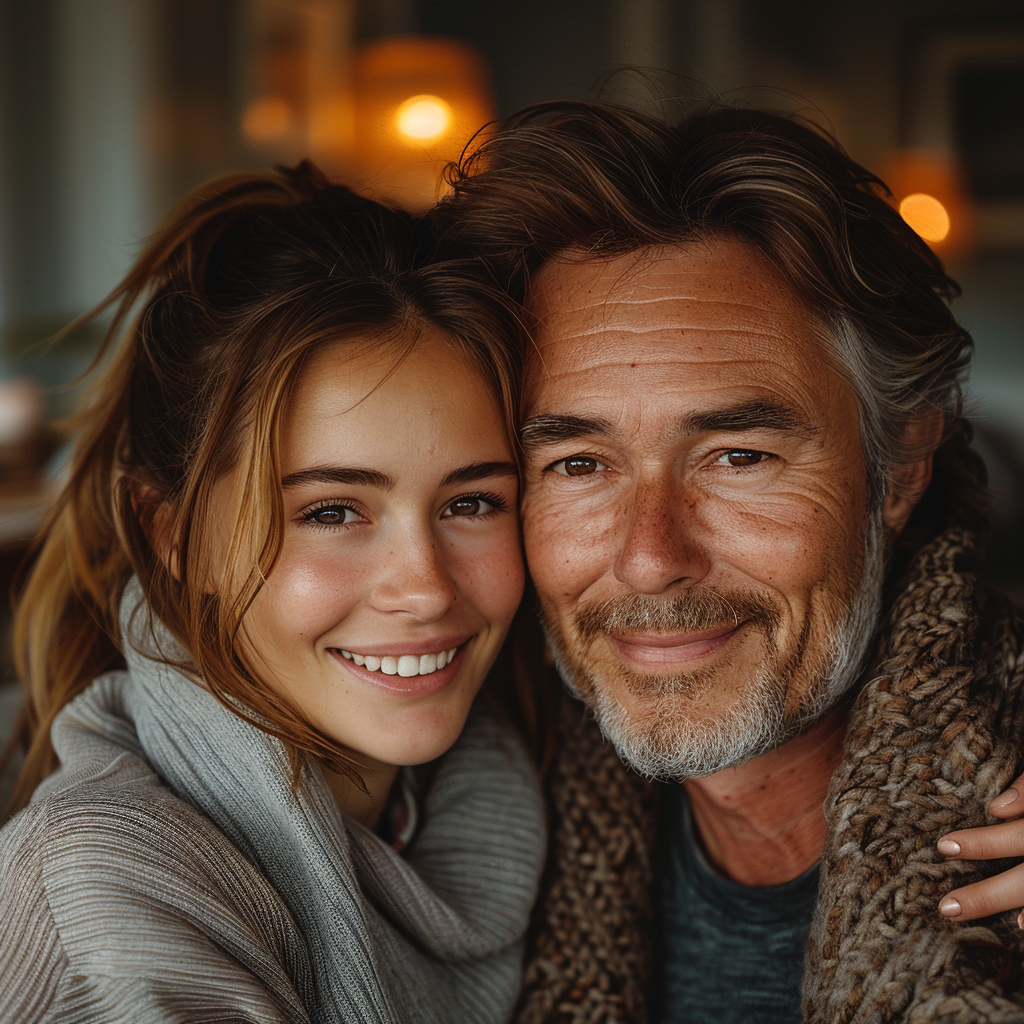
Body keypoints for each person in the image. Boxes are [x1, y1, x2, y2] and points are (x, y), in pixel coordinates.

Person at [435, 102, 1024, 1022]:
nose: (651, 557)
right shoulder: (458, 811)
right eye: (579, 464)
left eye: (739, 457)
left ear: (900, 466)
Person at [0, 163, 546, 1023]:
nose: (425, 588)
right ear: (170, 534)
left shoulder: (533, 792)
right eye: (332, 511)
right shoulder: (107, 895)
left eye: (472, 502)